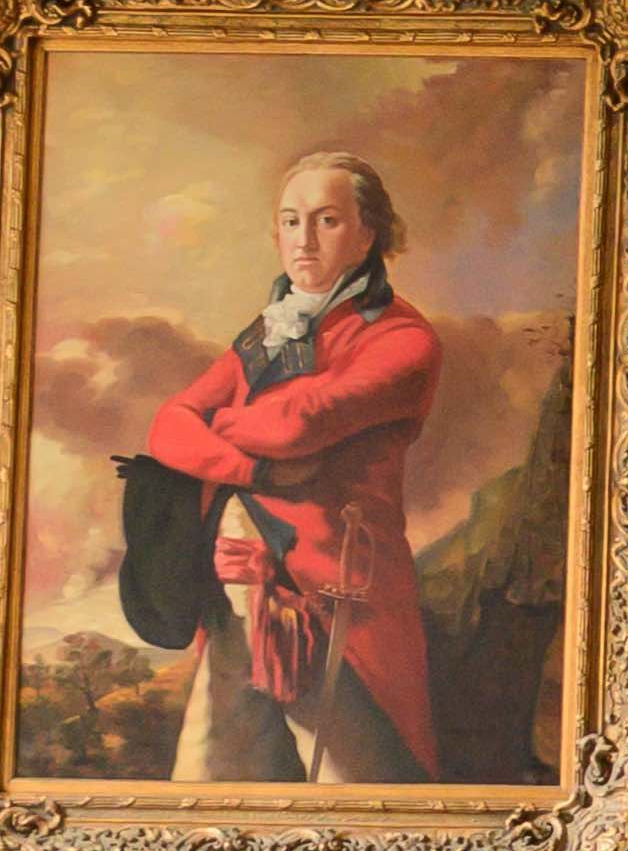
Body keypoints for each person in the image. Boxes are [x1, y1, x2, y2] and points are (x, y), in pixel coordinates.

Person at [145, 148, 443, 783]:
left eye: (327, 220)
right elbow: (167, 425)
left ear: (371, 233)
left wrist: (214, 428)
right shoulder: (268, 332)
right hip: (237, 584)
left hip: (333, 595)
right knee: (216, 776)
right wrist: (253, 474)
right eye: (289, 221)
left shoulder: (402, 339)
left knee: (353, 784)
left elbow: (296, 423)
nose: (302, 240)